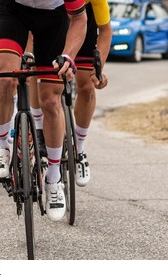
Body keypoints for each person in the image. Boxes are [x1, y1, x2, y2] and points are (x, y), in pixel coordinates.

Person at [0, 0, 87, 221]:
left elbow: (80, 19)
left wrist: (69, 56)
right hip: (12, 11)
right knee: (4, 79)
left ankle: (53, 178)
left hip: (55, 17)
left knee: (51, 100)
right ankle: (1, 148)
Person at [73, 0, 112, 186]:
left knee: (87, 86)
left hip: (83, 25)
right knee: (43, 82)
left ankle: (79, 149)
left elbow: (105, 30)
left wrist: (98, 70)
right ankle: (38, 130)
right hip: (51, 24)